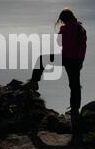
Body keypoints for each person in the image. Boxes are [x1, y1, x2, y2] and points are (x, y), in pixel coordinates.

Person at [26, 9, 87, 141]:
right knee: (75, 86)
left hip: (66, 58)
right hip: (76, 62)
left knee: (42, 59)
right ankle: (75, 113)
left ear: (64, 19)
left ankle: (34, 81)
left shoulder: (65, 29)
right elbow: (83, 47)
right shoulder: (81, 29)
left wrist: (62, 31)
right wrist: (80, 61)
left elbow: (59, 43)